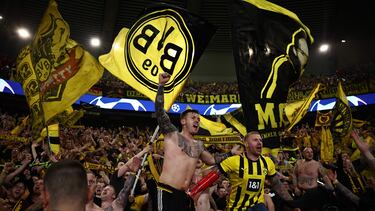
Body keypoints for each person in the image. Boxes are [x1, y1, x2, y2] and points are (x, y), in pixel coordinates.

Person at [155, 72, 237, 211]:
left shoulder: (198, 145)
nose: (197, 121)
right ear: (183, 121)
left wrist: (231, 153)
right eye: (193, 118)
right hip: (166, 191)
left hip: (184, 195)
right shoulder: (172, 134)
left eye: (198, 119)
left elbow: (212, 160)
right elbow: (159, 111)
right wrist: (161, 86)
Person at [217, 131, 293, 210]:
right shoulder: (234, 161)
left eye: (260, 140)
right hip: (237, 207)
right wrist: (230, 153)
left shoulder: (267, 162)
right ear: (246, 144)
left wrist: (292, 203)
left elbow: (277, 184)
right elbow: (213, 167)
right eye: (255, 140)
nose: (259, 142)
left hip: (257, 205)